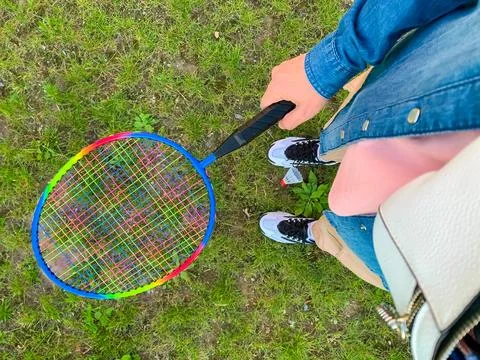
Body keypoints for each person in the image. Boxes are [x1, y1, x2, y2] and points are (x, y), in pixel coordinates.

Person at [258, 0, 480, 290]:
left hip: (433, 265)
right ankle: (324, 152)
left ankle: (319, 232)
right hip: (408, 112)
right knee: (353, 138)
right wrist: (331, 62)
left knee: (354, 240)